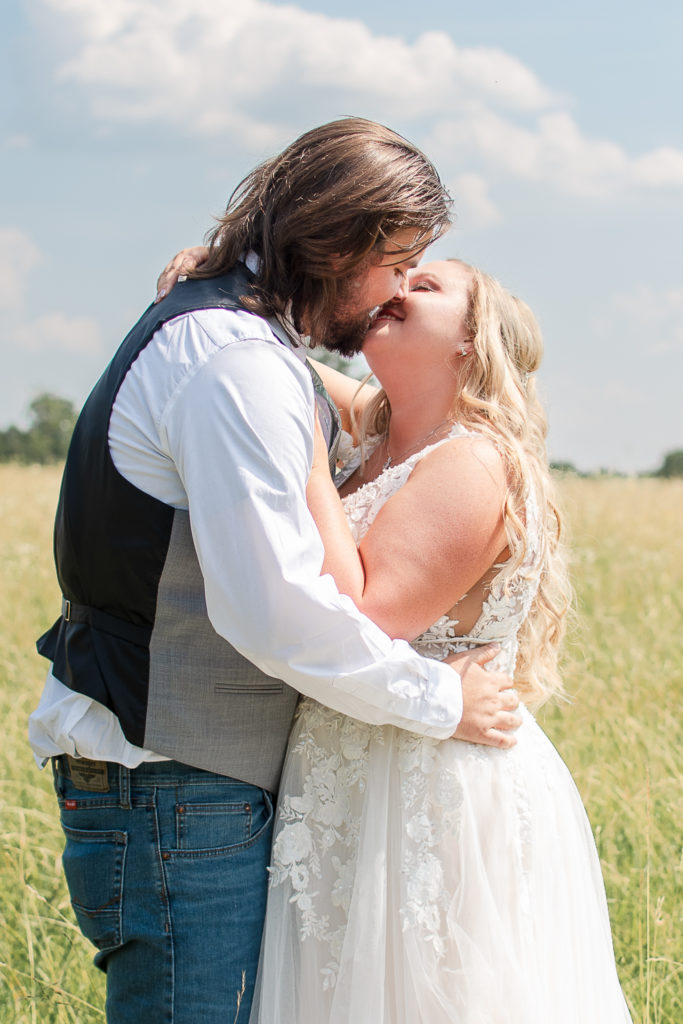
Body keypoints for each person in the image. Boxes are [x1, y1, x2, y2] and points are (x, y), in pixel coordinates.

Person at [28, 119, 521, 1024]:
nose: (389, 295)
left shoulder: (244, 347)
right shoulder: (237, 365)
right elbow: (276, 613)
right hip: (172, 785)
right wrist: (441, 700)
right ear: (339, 243)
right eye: (395, 263)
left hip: (183, 788)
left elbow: (388, 414)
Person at [249, 259, 633, 1022]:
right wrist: (229, 297)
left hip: (431, 793)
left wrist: (300, 461)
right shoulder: (384, 433)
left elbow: (362, 617)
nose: (393, 290)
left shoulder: (475, 462)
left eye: (423, 288)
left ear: (469, 340)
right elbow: (275, 367)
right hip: (356, 774)